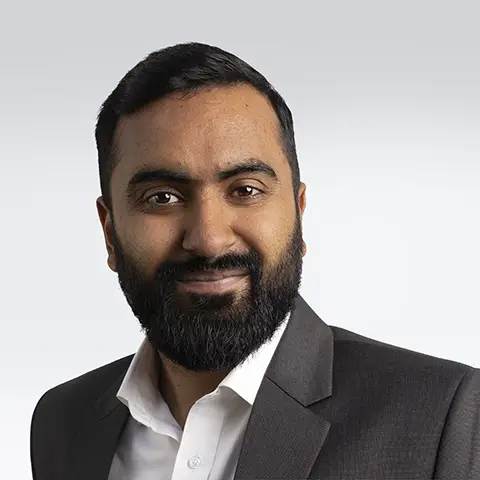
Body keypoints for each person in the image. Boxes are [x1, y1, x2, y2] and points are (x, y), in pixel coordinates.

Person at [30, 42, 480, 480]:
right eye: (162, 197)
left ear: (298, 213)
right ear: (110, 232)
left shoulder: (444, 417)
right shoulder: (62, 422)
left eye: (245, 190)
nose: (209, 240)